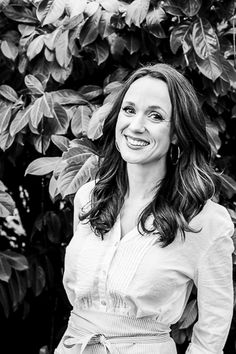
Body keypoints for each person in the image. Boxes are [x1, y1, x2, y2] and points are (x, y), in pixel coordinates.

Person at [55, 63, 235, 354]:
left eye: (155, 115)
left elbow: (213, 329)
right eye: (129, 110)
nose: (136, 125)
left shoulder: (205, 221)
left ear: (177, 133)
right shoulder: (89, 198)